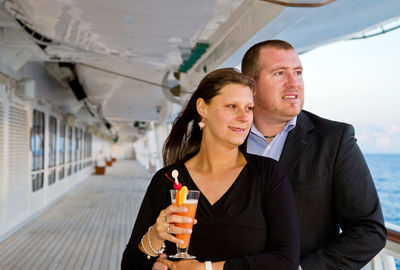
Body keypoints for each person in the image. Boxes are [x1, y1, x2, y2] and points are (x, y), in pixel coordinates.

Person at [121, 68, 300, 270]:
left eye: (249, 108)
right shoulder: (167, 180)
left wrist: (207, 268)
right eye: (232, 106)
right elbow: (130, 266)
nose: (244, 117)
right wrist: (154, 236)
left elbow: (286, 261)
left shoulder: (268, 174)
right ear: (203, 109)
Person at [240, 40, 387, 269]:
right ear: (251, 85)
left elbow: (368, 229)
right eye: (280, 73)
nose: (294, 83)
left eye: (297, 72)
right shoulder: (227, 139)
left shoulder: (335, 139)